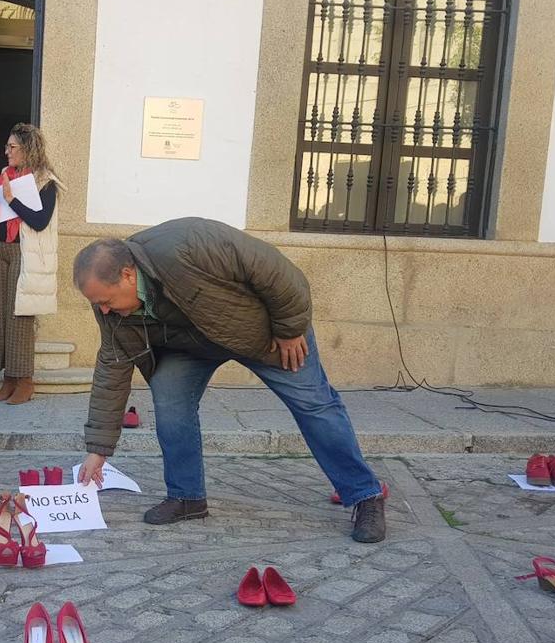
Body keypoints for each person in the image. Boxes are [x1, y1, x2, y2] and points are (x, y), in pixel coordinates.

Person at [72, 218, 387, 543]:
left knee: (314, 404)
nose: (103, 311)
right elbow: (112, 367)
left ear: (127, 274)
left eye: (106, 301)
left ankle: (365, 496)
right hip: (190, 345)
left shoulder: (186, 244)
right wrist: (99, 449)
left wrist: (290, 328)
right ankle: (186, 497)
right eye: (97, 304)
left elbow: (276, 271)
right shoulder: (108, 307)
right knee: (168, 399)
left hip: (264, 332)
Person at [0, 123, 61, 405]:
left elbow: (39, 221)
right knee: (1, 315)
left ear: (28, 149)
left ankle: (24, 381)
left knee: (20, 317)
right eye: (7, 146)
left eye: (13, 147)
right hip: (1, 250)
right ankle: (8, 379)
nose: (7, 151)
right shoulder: (4, 175)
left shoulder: (46, 181)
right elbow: (0, 215)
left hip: (26, 254)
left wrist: (11, 199)